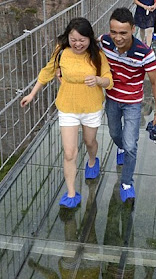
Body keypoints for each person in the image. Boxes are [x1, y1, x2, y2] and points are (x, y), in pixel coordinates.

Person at [21, 18, 113, 208]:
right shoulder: (61, 52)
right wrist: (32, 94)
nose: (78, 44)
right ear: (68, 38)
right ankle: (71, 193)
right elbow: (48, 71)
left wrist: (98, 80)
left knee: (89, 142)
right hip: (67, 106)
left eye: (82, 40)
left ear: (89, 38)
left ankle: (92, 161)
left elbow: (108, 80)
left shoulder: (97, 54)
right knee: (69, 153)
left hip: (91, 106)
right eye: (74, 39)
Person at [100, 8, 156, 202]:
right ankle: (121, 147)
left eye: (123, 33)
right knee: (115, 133)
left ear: (133, 29)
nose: (117, 37)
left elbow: (155, 83)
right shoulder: (105, 42)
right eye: (113, 32)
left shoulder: (144, 53)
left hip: (132, 103)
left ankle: (127, 182)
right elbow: (82, 44)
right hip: (112, 98)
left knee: (131, 144)